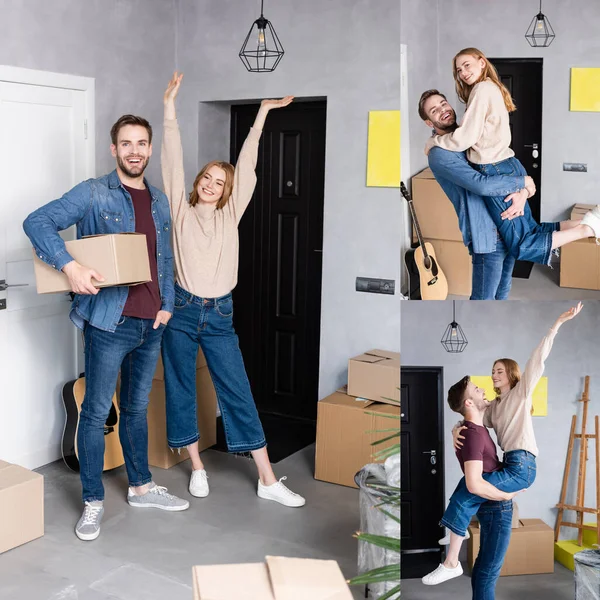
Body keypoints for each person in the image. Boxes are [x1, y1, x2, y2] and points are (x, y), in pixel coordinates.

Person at [23, 114, 189, 541]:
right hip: (108, 322)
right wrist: (69, 265)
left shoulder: (159, 201)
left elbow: (163, 259)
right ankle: (93, 501)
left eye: (142, 143)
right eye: (126, 143)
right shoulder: (94, 193)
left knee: (135, 409)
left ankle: (141, 487)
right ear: (113, 149)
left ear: (150, 150)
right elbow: (36, 222)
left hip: (151, 323)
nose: (135, 150)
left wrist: (167, 305)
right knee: (96, 412)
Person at [160, 72, 305, 507]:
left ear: (227, 193)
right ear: (198, 180)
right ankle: (197, 468)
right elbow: (171, 157)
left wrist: (261, 114)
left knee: (237, 390)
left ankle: (267, 478)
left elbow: (248, 164)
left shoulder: (229, 215)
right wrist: (169, 106)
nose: (211, 183)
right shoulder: (179, 211)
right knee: (181, 387)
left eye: (219, 182)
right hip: (182, 311)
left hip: (220, 313)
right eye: (207, 176)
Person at [423, 302, 583, 590]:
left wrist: (557, 324)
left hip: (523, 464)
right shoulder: (494, 408)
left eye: (499, 370)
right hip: (510, 462)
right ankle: (455, 531)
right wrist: (454, 430)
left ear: (510, 373)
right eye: (492, 370)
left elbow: (539, 357)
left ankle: (452, 550)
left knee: (469, 491)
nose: (494, 374)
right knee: (466, 486)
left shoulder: (521, 394)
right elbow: (474, 422)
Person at [424, 48, 600, 261]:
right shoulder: (491, 88)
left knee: (521, 246)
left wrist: (434, 141)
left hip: (494, 167)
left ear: (481, 62)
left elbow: (465, 138)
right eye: (459, 70)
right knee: (533, 230)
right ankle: (591, 220)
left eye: (467, 65)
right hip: (507, 164)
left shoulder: (481, 90)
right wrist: (523, 187)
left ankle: (587, 229)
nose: (463, 72)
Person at [422, 376, 519, 599]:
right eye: (476, 389)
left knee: (483, 567)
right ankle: (452, 558)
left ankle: (456, 529)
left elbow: (505, 401)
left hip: (488, 505)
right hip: (496, 507)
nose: (483, 390)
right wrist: (506, 494)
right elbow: (474, 483)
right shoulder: (473, 434)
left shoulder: (469, 428)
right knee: (488, 570)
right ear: (468, 403)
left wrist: (454, 428)